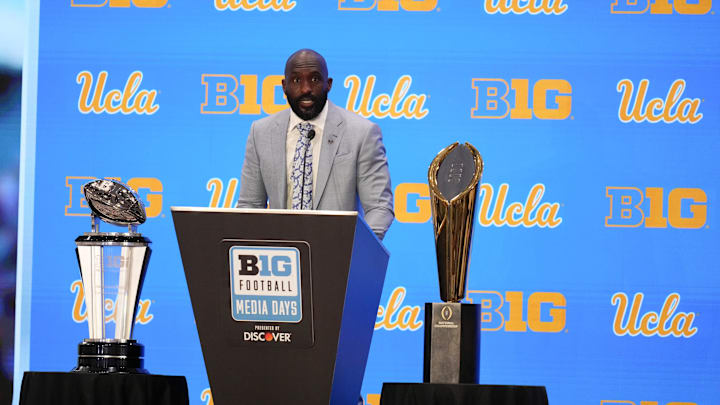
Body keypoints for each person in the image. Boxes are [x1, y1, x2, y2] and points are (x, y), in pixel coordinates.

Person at [236, 49, 393, 240]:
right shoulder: (261, 132)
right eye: (296, 81)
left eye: (315, 79)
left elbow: (379, 207)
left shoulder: (362, 132)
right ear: (284, 86)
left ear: (329, 84)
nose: (305, 89)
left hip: (339, 256)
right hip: (280, 259)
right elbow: (250, 206)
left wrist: (356, 250)